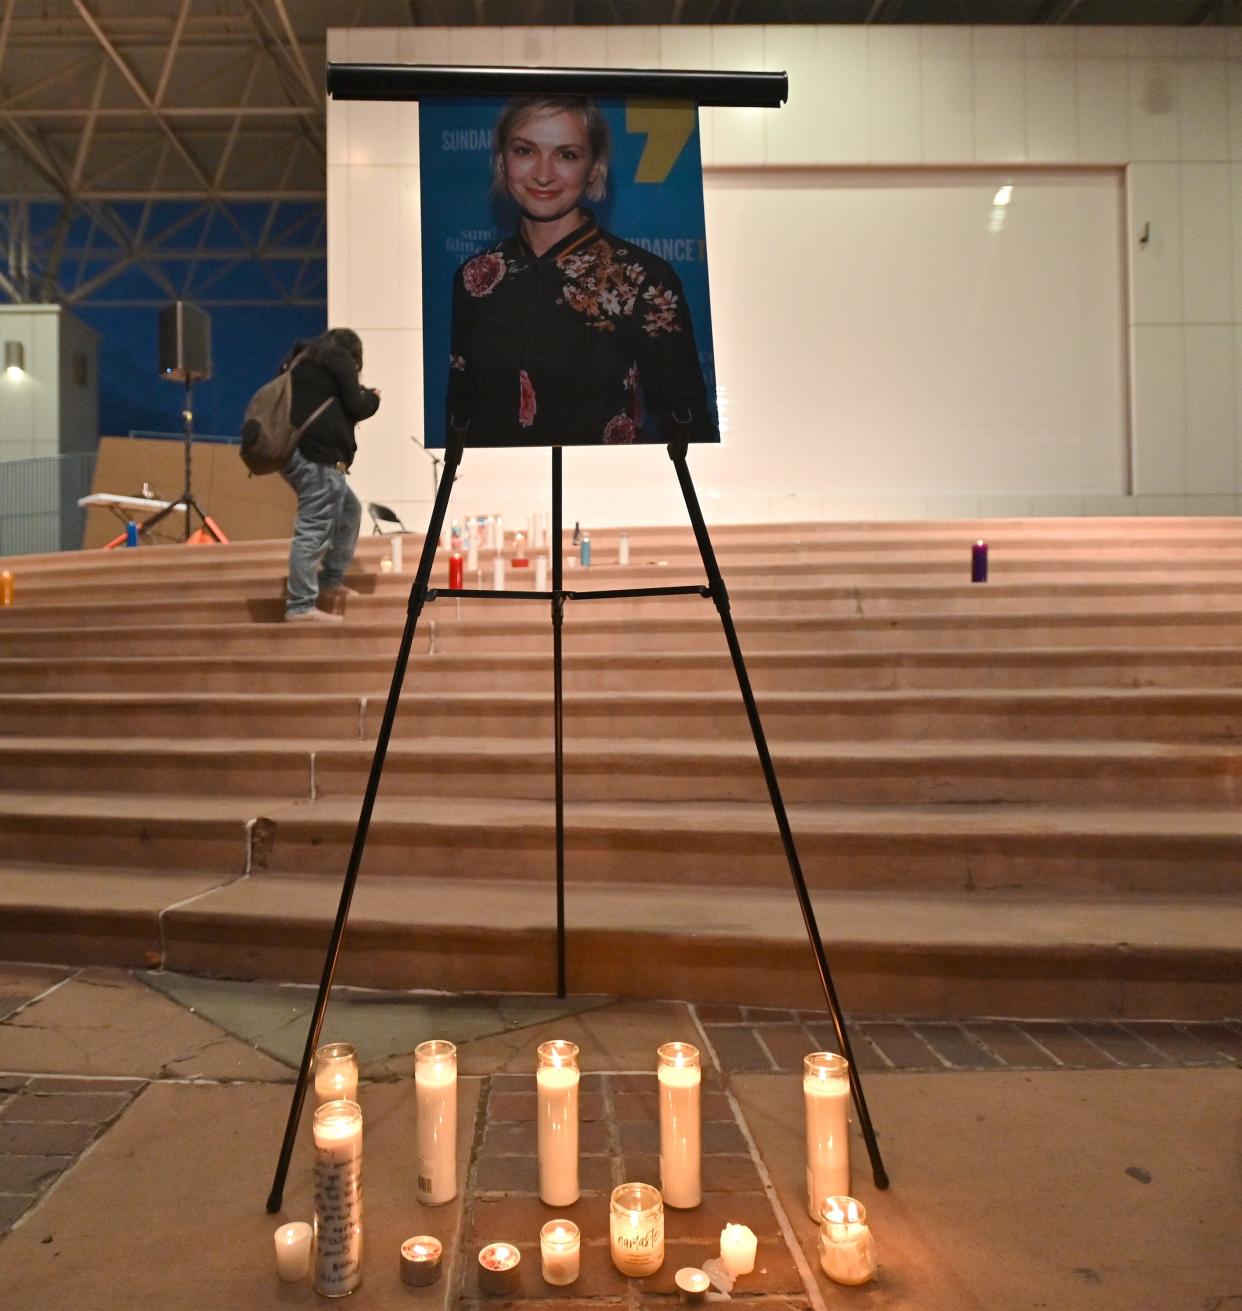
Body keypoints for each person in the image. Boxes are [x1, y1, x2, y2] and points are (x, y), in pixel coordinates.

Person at [446, 95, 717, 448]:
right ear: (501, 160)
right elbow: (461, 415)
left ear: (594, 168)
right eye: (525, 151)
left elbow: (687, 424)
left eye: (567, 155)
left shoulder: (643, 279)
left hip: (612, 494)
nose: (543, 174)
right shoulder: (474, 278)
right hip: (501, 493)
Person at [280, 327, 380, 622]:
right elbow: (357, 406)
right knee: (313, 528)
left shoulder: (300, 363)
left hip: (295, 455)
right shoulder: (338, 359)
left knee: (350, 510)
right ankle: (300, 605)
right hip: (318, 458)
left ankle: (330, 583)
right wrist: (373, 398)